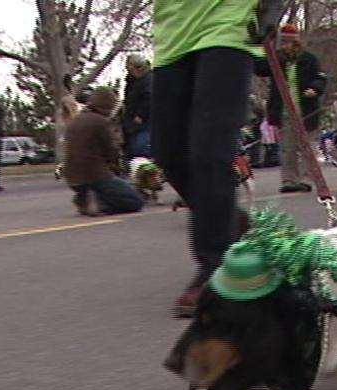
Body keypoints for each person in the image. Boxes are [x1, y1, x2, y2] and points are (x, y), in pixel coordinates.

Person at [152, 0, 282, 317]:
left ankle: (216, 266)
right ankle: (233, 222)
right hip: (173, 31)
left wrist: (273, 8)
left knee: (209, 151)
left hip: (227, 24)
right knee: (168, 152)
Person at [255, 24, 327, 193]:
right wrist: (262, 46)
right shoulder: (276, 59)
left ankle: (305, 178)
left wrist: (314, 88)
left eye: (290, 41)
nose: (286, 45)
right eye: (284, 41)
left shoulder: (309, 59)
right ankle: (289, 180)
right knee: (288, 147)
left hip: (306, 109)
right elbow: (259, 68)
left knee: (307, 147)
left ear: (297, 42)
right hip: (285, 110)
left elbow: (321, 77)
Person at [64, 87, 144, 216]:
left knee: (113, 185)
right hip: (94, 175)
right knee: (135, 202)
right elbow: (112, 151)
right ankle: (99, 202)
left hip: (72, 177)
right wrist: (118, 166)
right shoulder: (100, 122)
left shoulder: (76, 120)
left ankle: (85, 195)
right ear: (106, 106)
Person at [122, 54, 153, 159]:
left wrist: (141, 115)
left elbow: (149, 98)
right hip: (131, 119)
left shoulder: (149, 80)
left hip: (143, 121)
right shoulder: (131, 81)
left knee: (140, 149)